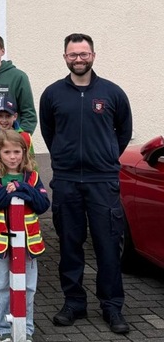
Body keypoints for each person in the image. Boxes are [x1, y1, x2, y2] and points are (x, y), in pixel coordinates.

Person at [39, 33, 133, 334]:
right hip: (66, 181)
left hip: (102, 182)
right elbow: (49, 132)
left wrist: (104, 159)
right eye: (72, 54)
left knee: (107, 246)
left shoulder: (112, 93)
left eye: (83, 54)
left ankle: (112, 306)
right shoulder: (53, 94)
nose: (78, 59)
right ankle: (74, 303)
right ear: (64, 57)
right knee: (69, 245)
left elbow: (123, 131)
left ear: (93, 55)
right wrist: (66, 158)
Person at [0, 129, 49, 342]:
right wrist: (9, 191)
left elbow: (43, 204)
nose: (12, 156)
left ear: (24, 152)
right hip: (0, 246)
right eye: (7, 152)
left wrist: (21, 188)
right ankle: (2, 328)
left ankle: (25, 328)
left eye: (17, 151)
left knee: (27, 287)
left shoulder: (33, 177)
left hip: (28, 245)